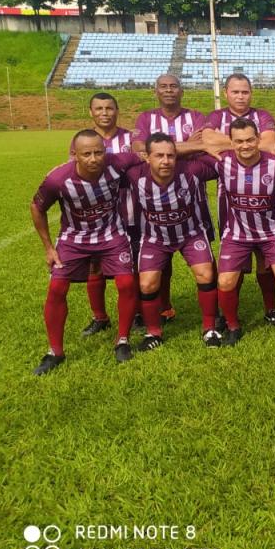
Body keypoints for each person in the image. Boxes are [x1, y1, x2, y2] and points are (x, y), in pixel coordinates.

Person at [31, 130, 142, 375]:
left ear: (105, 151)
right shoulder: (57, 179)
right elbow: (36, 207)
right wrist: (48, 248)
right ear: (74, 155)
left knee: (126, 283)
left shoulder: (117, 162)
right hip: (73, 239)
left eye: (98, 152)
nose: (93, 159)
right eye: (87, 154)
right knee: (57, 288)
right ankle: (55, 352)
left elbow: (144, 155)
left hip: (111, 234)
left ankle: (122, 340)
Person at [201, 73, 275, 326]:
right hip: (230, 202)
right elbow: (206, 139)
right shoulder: (216, 116)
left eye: (245, 92)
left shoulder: (263, 115)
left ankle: (270, 309)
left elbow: (269, 143)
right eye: (235, 92)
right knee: (233, 262)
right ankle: (229, 316)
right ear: (226, 93)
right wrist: (246, 143)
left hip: (264, 198)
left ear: (251, 93)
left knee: (265, 260)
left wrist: (231, 144)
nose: (240, 96)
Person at [124, 133, 221, 349]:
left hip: (191, 234)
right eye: (159, 156)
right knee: (147, 284)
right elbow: (106, 169)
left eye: (170, 155)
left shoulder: (191, 170)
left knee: (206, 274)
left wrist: (205, 147)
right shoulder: (134, 174)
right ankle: (153, 333)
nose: (166, 161)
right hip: (154, 237)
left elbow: (225, 162)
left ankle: (210, 327)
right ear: (147, 157)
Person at [210, 118, 275, 346]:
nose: (245, 145)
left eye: (250, 140)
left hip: (272, 231)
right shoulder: (221, 162)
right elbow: (184, 163)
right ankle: (233, 326)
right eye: (239, 141)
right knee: (225, 282)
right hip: (237, 234)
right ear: (231, 142)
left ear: (259, 139)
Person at [132, 74, 209, 324]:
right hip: (155, 201)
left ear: (181, 91)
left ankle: (213, 312)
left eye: (173, 86)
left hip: (193, 199)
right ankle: (163, 307)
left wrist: (162, 149)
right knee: (160, 259)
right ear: (155, 91)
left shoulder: (195, 116)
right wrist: (188, 146)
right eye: (163, 86)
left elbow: (206, 145)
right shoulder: (146, 118)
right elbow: (139, 149)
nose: (168, 90)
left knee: (204, 259)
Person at [75, 92, 138, 339]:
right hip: (97, 215)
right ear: (90, 112)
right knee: (95, 266)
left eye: (109, 108)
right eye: (99, 108)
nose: (104, 113)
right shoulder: (83, 140)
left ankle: (137, 312)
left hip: (131, 209)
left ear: (117, 111)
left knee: (132, 264)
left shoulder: (131, 138)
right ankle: (99, 316)